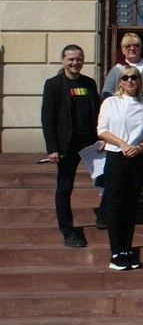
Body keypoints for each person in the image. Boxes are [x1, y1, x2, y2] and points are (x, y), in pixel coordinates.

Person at [41, 44, 102, 248]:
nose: (75, 62)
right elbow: (47, 118)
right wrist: (52, 148)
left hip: (91, 144)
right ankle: (68, 232)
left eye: (78, 58)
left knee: (107, 180)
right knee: (64, 188)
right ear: (63, 60)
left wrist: (101, 137)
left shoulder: (89, 83)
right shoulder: (53, 85)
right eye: (71, 59)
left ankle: (103, 217)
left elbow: (98, 112)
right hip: (66, 146)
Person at [97, 66, 143, 270]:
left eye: (134, 77)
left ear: (140, 81)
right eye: (126, 78)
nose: (130, 80)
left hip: (137, 158)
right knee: (116, 204)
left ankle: (127, 248)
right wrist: (122, 144)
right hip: (116, 156)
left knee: (131, 204)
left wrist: (140, 147)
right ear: (120, 82)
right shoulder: (110, 102)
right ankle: (116, 251)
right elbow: (102, 130)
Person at [104, 33, 143, 100]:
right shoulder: (116, 69)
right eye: (128, 46)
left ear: (141, 48)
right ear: (123, 50)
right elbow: (107, 92)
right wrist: (122, 98)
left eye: (136, 45)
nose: (132, 49)